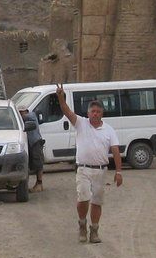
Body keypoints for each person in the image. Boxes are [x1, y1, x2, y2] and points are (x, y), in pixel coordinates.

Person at [55, 88, 121, 243]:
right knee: (83, 197)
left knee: (97, 201)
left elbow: (115, 150)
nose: (95, 114)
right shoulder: (81, 123)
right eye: (93, 111)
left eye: (98, 111)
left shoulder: (109, 130)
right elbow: (67, 111)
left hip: (100, 170)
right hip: (83, 168)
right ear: (88, 113)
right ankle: (82, 224)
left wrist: (119, 171)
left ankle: (95, 230)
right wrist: (61, 98)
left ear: (102, 113)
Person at [22, 106, 45, 192]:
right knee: (33, 164)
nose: (20, 114)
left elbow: (23, 117)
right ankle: (38, 184)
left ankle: (39, 184)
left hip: (36, 143)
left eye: (21, 112)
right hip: (30, 144)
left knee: (38, 164)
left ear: (25, 111)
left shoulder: (31, 115)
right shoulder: (26, 118)